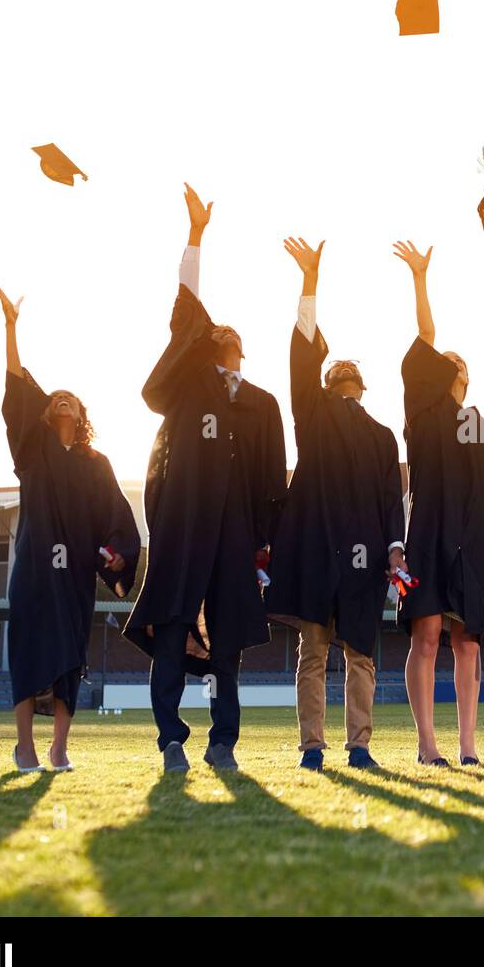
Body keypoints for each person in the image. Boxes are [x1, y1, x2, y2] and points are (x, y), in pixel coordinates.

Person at [125, 184, 287, 774]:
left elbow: (274, 479)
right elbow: (187, 311)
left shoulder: (263, 405)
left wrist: (263, 542)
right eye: (215, 342)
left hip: (235, 538)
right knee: (170, 629)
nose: (223, 344)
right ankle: (170, 737)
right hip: (185, 526)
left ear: (243, 352)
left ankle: (223, 740)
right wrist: (195, 238)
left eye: (231, 343)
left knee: (227, 647)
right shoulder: (190, 389)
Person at [266, 235, 406, 771]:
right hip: (317, 547)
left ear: (361, 387)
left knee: (361, 654)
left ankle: (360, 745)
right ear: (328, 383)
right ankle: (312, 747)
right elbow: (301, 359)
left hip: (365, 555)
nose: (343, 372)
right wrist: (309, 283)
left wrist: (395, 550)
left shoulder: (382, 436)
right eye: (335, 370)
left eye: (350, 371)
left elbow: (393, 500)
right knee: (315, 652)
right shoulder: (314, 415)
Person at [0, 286, 140, 772]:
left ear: (81, 416)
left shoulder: (95, 463)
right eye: (55, 398)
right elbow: (16, 385)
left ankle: (58, 748)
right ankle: (26, 748)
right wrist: (12, 328)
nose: (61, 400)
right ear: (45, 413)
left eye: (70, 399)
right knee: (28, 651)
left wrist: (119, 552)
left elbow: (116, 514)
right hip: (35, 569)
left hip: (74, 575)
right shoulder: (31, 453)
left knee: (67, 659)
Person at [393, 239, 484, 767]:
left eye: (455, 362)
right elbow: (426, 336)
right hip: (430, 533)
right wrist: (420, 278)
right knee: (429, 635)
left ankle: (466, 747)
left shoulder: (482, 425)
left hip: (472, 542)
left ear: (465, 376)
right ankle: (426, 745)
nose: (446, 363)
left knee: (467, 643)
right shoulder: (422, 410)